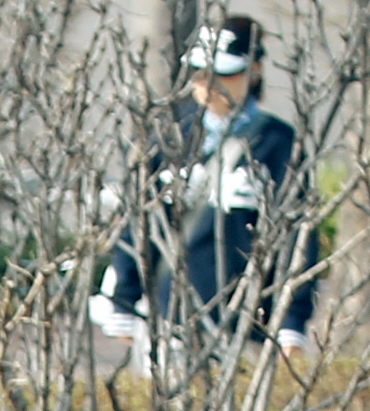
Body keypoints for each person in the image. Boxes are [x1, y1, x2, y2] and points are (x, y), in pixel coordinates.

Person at [91, 13, 321, 353]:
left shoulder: (280, 143)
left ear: (254, 69)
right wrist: (124, 300)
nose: (208, 84)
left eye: (224, 73)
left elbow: (298, 237)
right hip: (171, 319)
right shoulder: (168, 136)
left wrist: (291, 323)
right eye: (200, 73)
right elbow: (138, 220)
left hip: (251, 325)